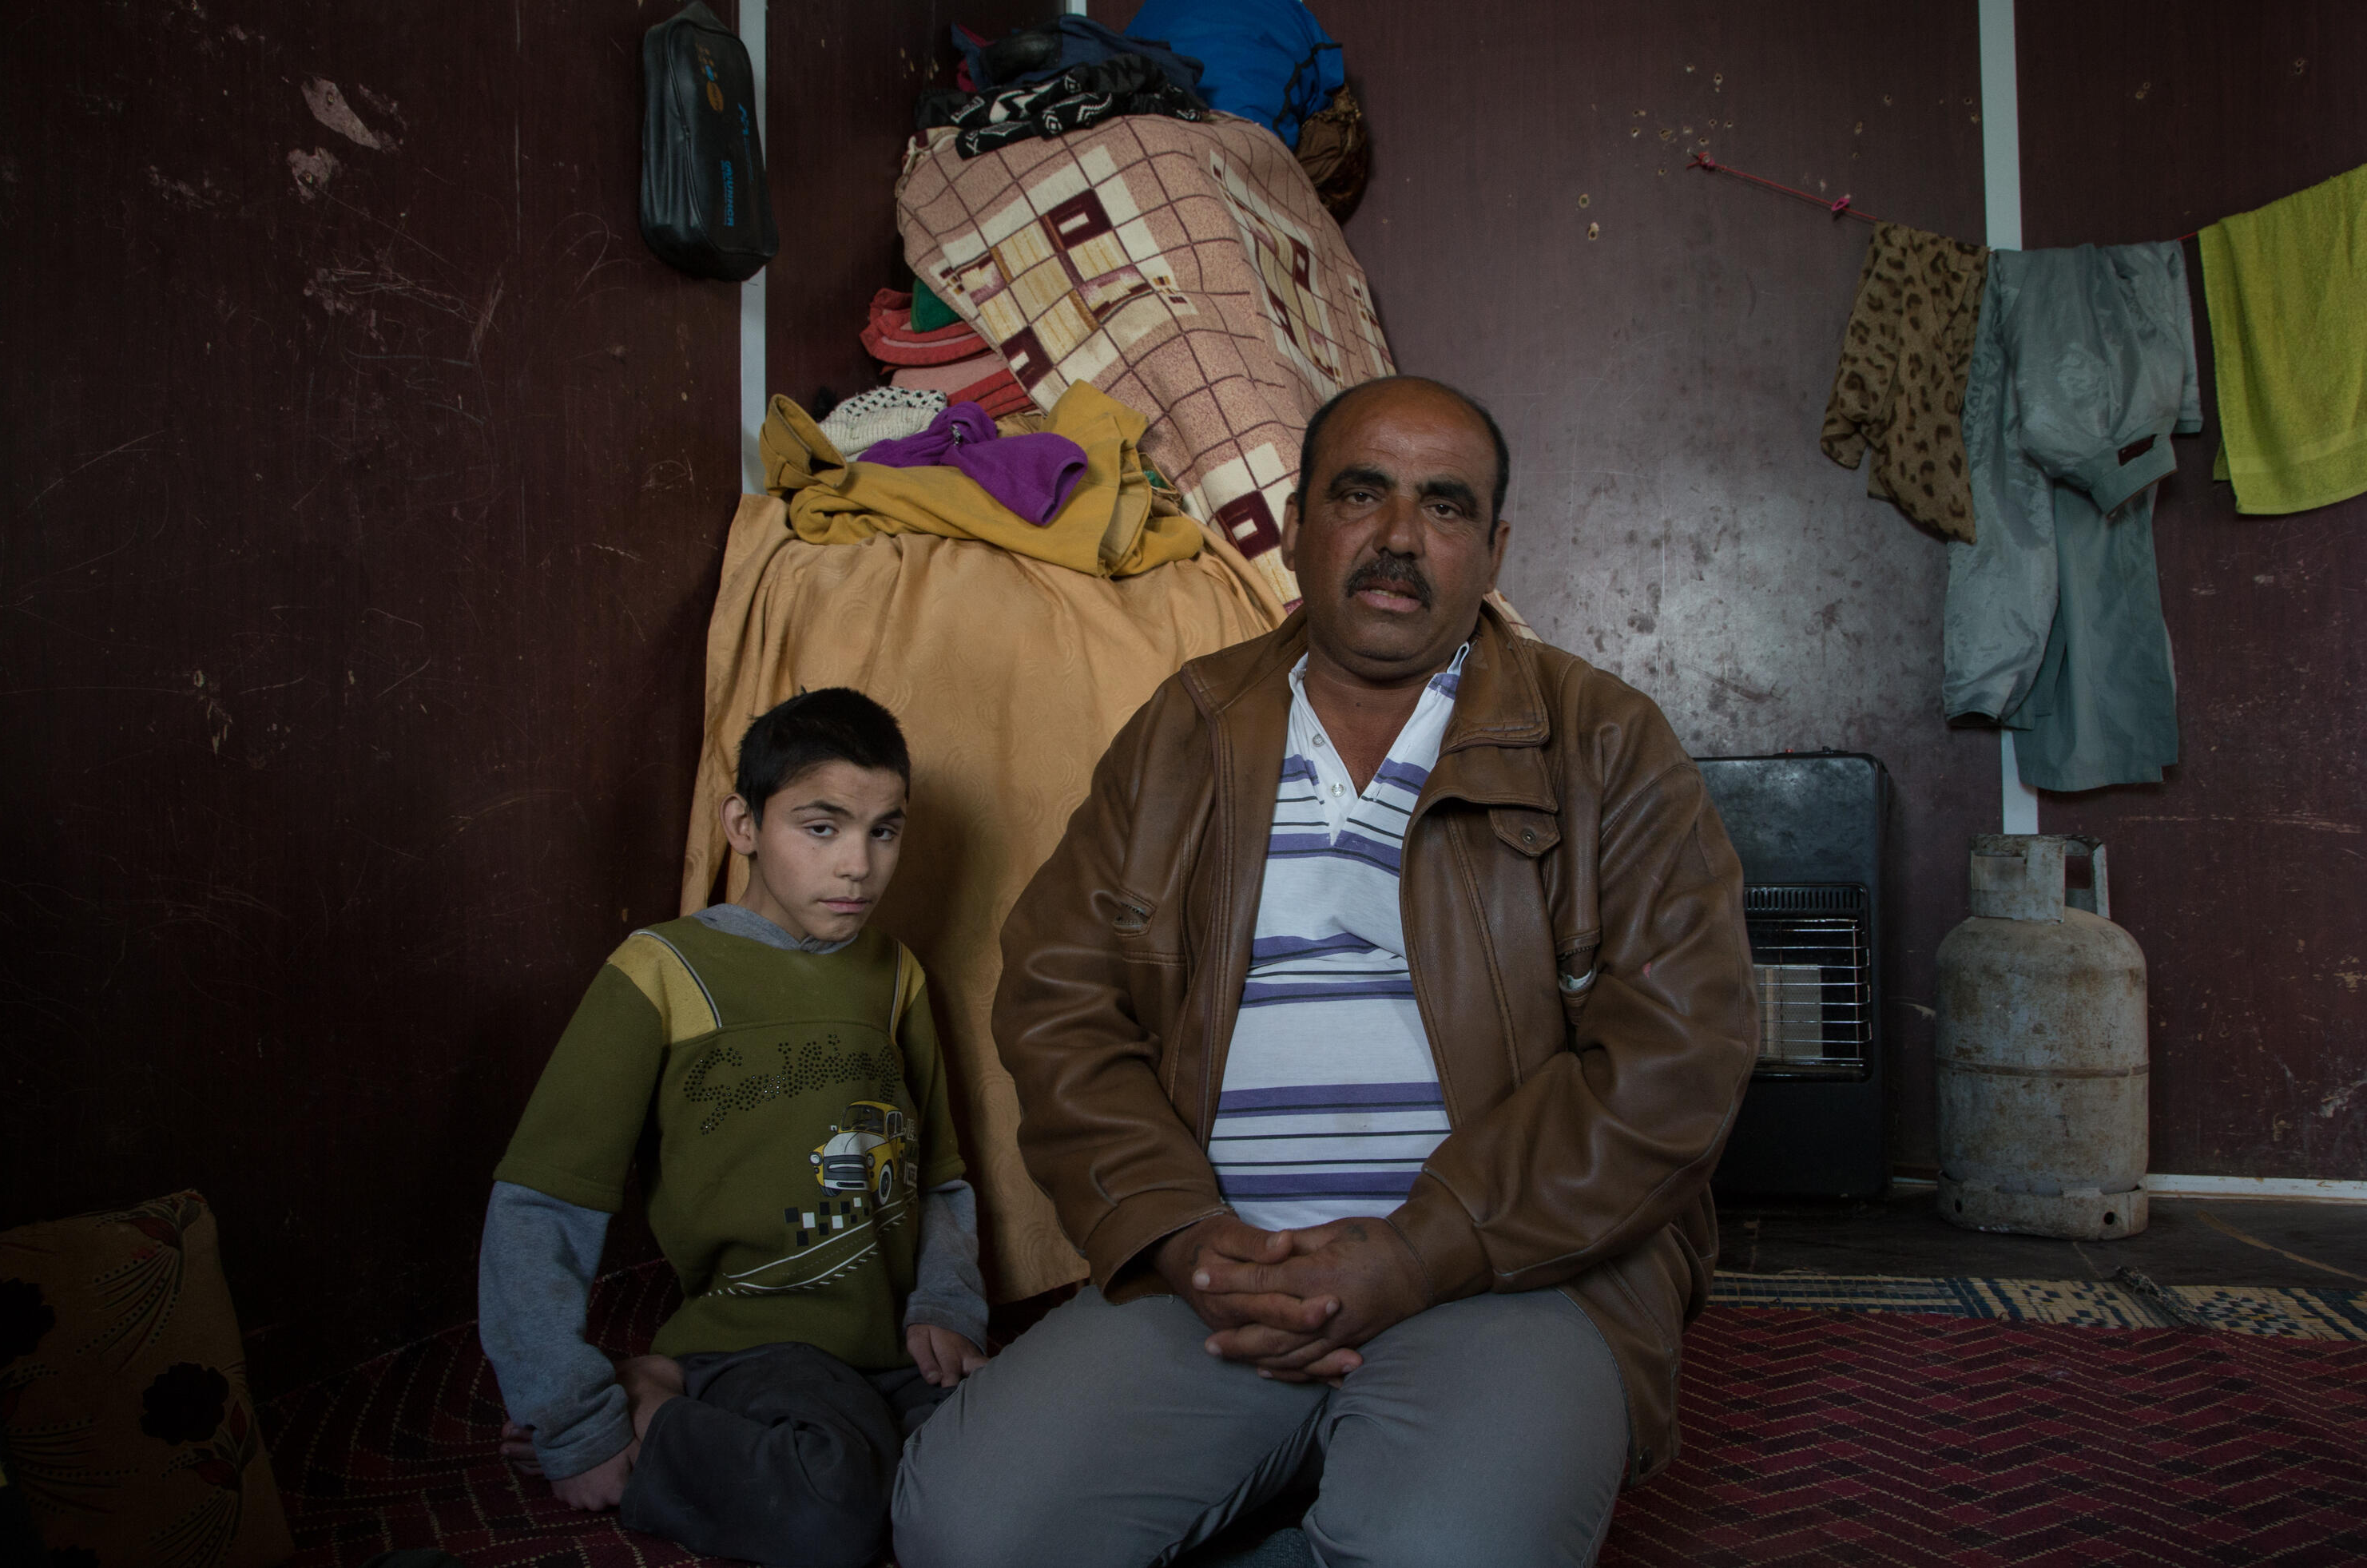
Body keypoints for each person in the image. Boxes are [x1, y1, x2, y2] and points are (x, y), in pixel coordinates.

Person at [893, 377, 1757, 1567]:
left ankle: (1362, 1483)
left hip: (1506, 1275)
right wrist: (1180, 1231)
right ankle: (1320, 1477)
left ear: (1494, 547)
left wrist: (1417, 1249)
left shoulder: (1605, 742)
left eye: (1446, 507)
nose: (1401, 537)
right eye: (1364, 493)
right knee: (965, 1529)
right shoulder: (1186, 729)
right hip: (1225, 1270)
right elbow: (1060, 996)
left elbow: (1680, 1058)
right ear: (1296, 525)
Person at [479, 688, 988, 1568]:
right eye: (821, 827)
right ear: (743, 824)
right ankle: (653, 1405)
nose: (859, 866)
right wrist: (567, 1410)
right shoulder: (663, 968)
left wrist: (947, 1302)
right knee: (832, 1510)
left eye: (885, 830)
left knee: (1012, 1485)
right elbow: (541, 1202)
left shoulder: (896, 975)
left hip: (897, 1346)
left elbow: (937, 1174)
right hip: (761, 1339)